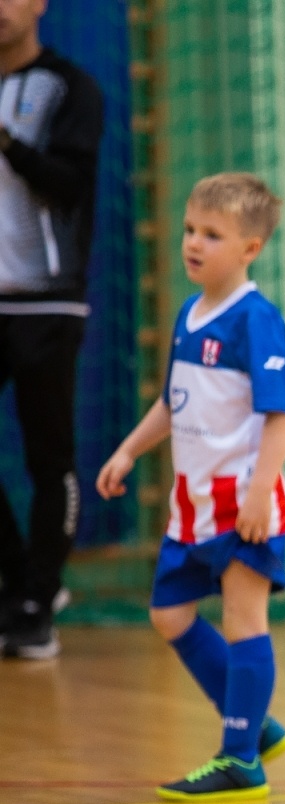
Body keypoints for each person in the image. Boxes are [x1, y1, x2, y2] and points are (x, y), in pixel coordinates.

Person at [95, 173, 285, 802]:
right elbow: (173, 401)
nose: (193, 243)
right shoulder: (189, 313)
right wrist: (129, 448)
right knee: (169, 615)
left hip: (243, 501)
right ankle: (251, 724)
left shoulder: (257, 321)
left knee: (244, 620)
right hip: (193, 504)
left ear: (250, 249)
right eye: (189, 229)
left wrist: (261, 490)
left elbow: (280, 413)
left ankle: (239, 757)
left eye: (212, 234)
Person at [0, 0, 103, 658]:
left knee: (49, 457)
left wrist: (8, 143)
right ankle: (21, 581)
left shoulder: (70, 88)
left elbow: (70, 186)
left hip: (47, 301)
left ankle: (39, 599)